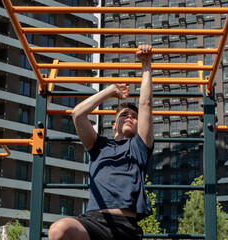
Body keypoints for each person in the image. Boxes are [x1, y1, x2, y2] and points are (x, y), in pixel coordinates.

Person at [48, 44, 154, 240]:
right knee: (58, 230)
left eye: (134, 116)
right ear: (114, 125)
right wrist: (111, 91)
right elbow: (77, 114)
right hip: (93, 223)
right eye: (124, 115)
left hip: (126, 227)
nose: (129, 117)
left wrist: (146, 64)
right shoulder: (99, 145)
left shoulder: (140, 147)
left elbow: (145, 104)